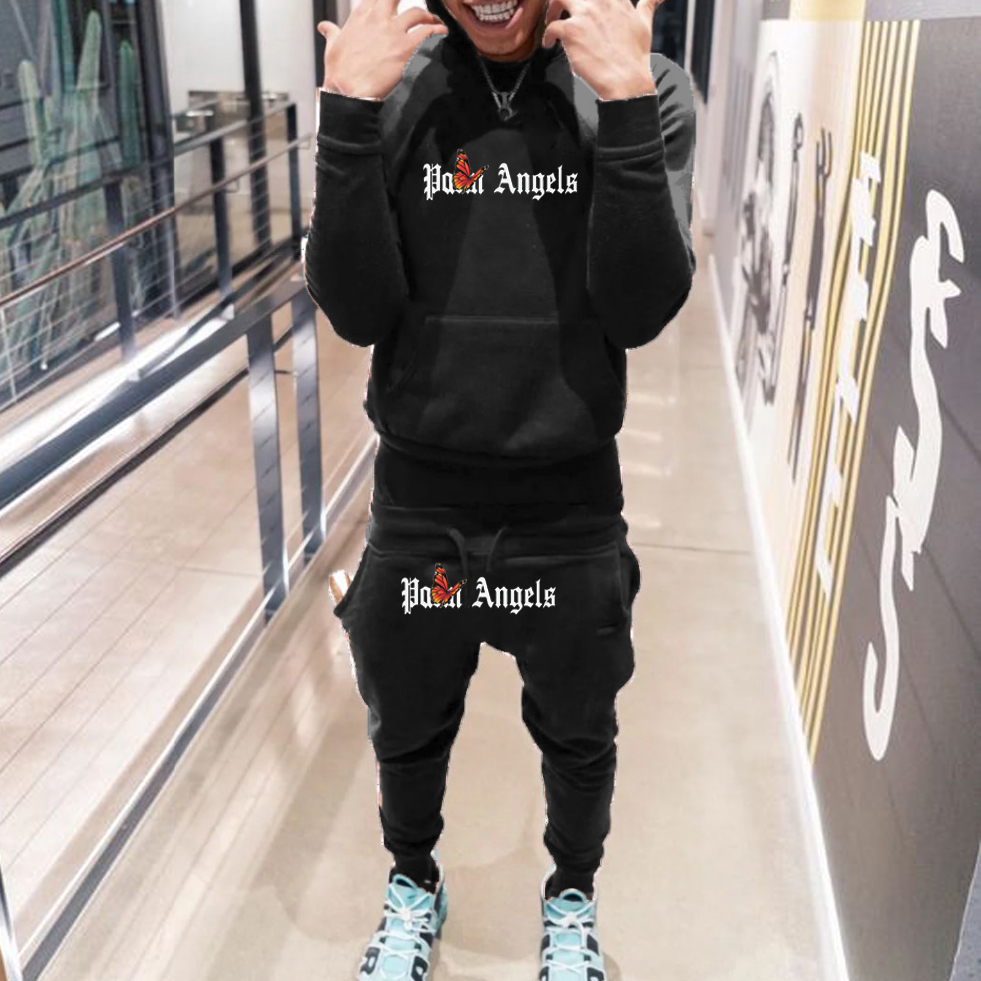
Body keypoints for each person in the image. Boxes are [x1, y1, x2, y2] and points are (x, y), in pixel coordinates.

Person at [304, 0, 695, 976]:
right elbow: (356, 311)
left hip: (567, 518)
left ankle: (571, 901)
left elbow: (640, 309)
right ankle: (412, 885)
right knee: (406, 727)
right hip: (422, 512)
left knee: (579, 735)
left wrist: (627, 106)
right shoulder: (398, 85)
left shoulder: (641, 82)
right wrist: (347, 117)